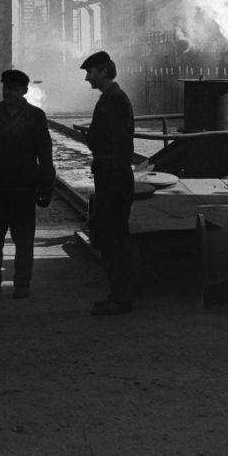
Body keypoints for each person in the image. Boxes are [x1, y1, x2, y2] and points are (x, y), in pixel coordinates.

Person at [0, 69, 55, 299]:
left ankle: (22, 283)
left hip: (25, 188)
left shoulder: (36, 116)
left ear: (24, 90)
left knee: (23, 239)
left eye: (13, 89)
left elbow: (45, 154)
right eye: (6, 88)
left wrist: (46, 187)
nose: (8, 93)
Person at [80, 50, 136, 316]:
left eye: (91, 72)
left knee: (116, 240)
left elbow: (121, 145)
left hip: (114, 178)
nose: (88, 78)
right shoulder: (110, 98)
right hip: (110, 175)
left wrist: (112, 175)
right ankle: (117, 294)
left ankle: (122, 298)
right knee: (111, 238)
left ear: (103, 71)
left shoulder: (115, 100)